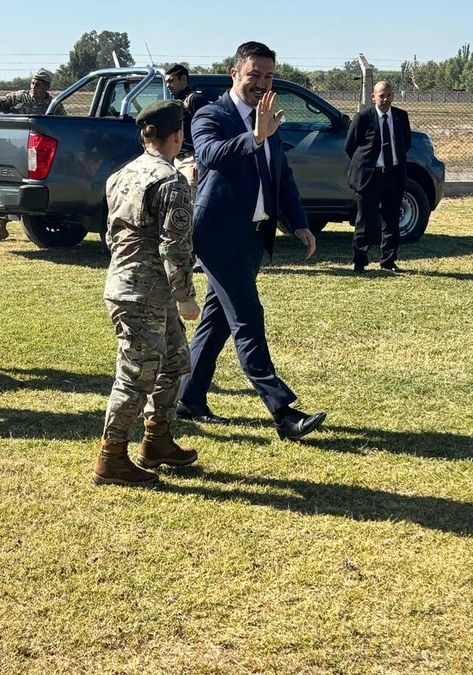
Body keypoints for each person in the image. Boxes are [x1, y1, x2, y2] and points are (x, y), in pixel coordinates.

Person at [176, 41, 327, 441]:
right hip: (217, 235)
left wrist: (299, 223)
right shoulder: (211, 113)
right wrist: (255, 137)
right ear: (235, 74)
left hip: (253, 235)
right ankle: (283, 412)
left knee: (218, 319)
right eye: (254, 74)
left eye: (268, 76)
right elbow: (210, 154)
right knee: (247, 317)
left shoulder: (270, 118)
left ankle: (188, 397)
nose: (261, 83)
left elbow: (282, 176)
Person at [95, 99, 200, 487]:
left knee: (173, 360)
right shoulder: (171, 181)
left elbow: (111, 235)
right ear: (178, 134)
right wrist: (185, 295)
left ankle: (156, 440)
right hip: (147, 293)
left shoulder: (120, 175)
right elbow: (175, 245)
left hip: (129, 286)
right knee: (136, 374)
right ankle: (112, 457)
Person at [0, 68, 67, 243]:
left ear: (47, 87)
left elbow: (63, 126)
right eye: (33, 83)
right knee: (6, 183)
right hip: (16, 149)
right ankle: (1, 225)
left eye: (40, 84)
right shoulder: (19, 97)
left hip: (39, 152)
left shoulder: (54, 105)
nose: (35, 87)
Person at [345, 80, 411, 274]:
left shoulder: (400, 117)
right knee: (365, 220)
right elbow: (350, 147)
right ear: (373, 97)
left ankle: (388, 261)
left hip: (392, 176)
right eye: (381, 95)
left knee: (391, 220)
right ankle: (360, 262)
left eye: (389, 95)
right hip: (369, 178)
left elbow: (405, 144)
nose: (385, 99)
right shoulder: (363, 117)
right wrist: (368, 164)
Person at [164, 63, 211, 190]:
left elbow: (207, 132)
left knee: (190, 203)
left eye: (171, 80)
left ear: (183, 79)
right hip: (176, 160)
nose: (168, 85)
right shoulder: (176, 101)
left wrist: (199, 159)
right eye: (166, 81)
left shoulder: (195, 100)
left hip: (191, 161)